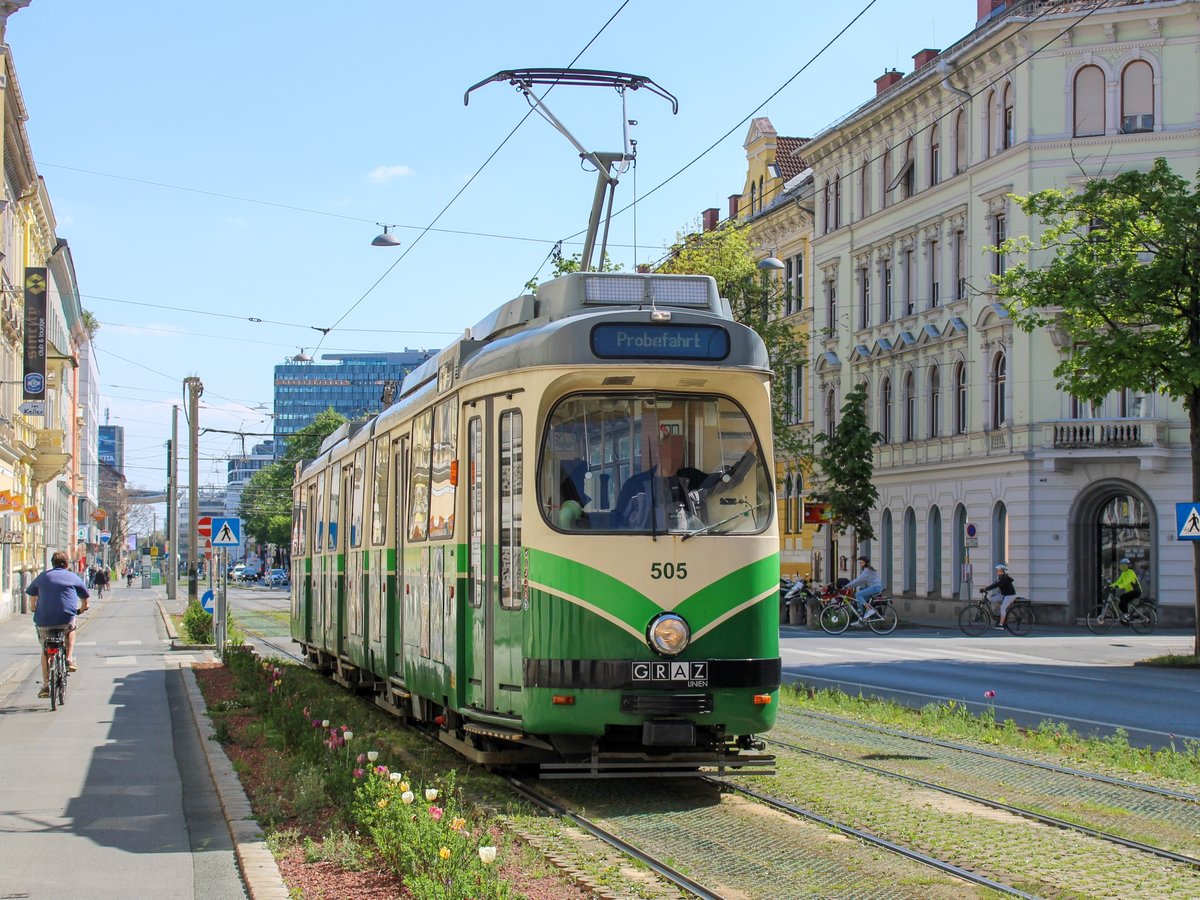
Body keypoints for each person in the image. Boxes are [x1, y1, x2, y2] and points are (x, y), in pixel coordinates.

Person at [26, 550, 90, 696]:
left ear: (52, 563)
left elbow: (32, 597)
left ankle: (46, 685)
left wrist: (34, 608)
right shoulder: (73, 577)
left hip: (43, 621)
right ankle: (68, 658)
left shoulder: (43, 577)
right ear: (67, 564)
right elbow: (85, 600)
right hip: (65, 619)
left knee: (45, 650)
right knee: (72, 626)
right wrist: (82, 609)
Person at [843, 556, 882, 624]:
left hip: (875, 587)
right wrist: (851, 586)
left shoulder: (867, 571)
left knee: (858, 594)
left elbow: (859, 580)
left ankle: (869, 611)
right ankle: (862, 619)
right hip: (873, 587)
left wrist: (848, 585)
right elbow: (860, 581)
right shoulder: (866, 570)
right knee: (861, 595)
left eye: (861, 562)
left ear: (865, 562)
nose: (860, 563)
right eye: (859, 562)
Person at [982, 562, 1017, 630]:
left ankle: (1001, 624)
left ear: (1002, 571)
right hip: (1003, 594)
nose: (997, 571)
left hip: (1010, 595)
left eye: (999, 570)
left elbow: (996, 585)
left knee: (1003, 608)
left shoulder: (1004, 578)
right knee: (991, 599)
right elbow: (994, 584)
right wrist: (985, 588)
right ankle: (1001, 613)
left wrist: (986, 589)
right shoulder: (1000, 577)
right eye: (997, 570)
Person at [1111, 557, 1142, 624]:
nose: (1122, 566)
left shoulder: (1131, 572)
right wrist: (1111, 586)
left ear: (1128, 565)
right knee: (1120, 603)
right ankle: (1126, 618)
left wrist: (1118, 586)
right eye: (1121, 565)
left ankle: (1127, 616)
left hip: (1136, 591)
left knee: (1123, 598)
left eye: (1124, 565)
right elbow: (1118, 581)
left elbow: (1126, 582)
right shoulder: (1123, 573)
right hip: (1130, 592)